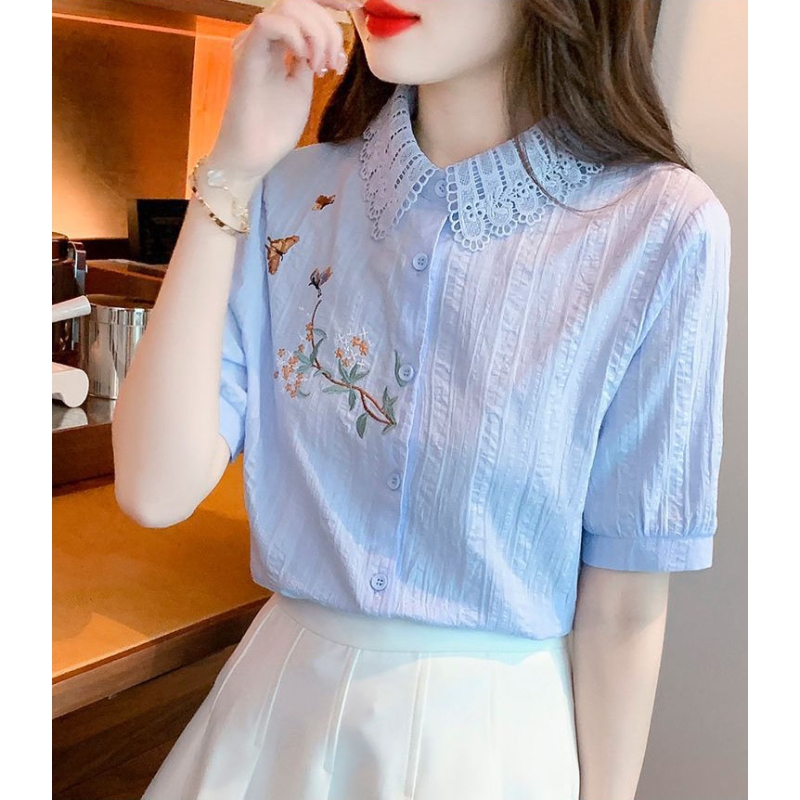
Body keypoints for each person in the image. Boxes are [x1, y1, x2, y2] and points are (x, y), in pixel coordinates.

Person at [112, 0, 732, 797]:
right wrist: (231, 170)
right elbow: (155, 490)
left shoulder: (661, 228)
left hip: (494, 747)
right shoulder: (293, 191)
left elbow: (626, 602)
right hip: (273, 719)